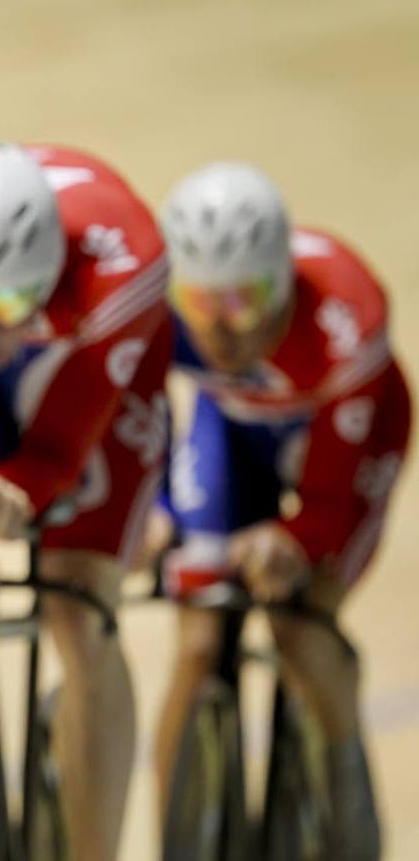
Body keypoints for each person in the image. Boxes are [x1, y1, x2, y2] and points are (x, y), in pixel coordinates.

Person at [0, 142, 171, 861]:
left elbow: (57, 454)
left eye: (13, 305)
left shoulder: (123, 263)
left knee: (81, 613)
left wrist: (19, 484)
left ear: (52, 274)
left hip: (85, 381)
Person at [146, 162, 410, 860]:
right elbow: (132, 422)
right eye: (200, 304)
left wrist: (293, 540)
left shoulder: (344, 321)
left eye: (244, 302)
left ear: (283, 279)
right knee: (199, 641)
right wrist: (160, 513)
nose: (220, 329)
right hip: (230, 429)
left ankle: (350, 815)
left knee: (301, 628)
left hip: (345, 443)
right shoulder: (163, 312)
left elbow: (326, 501)